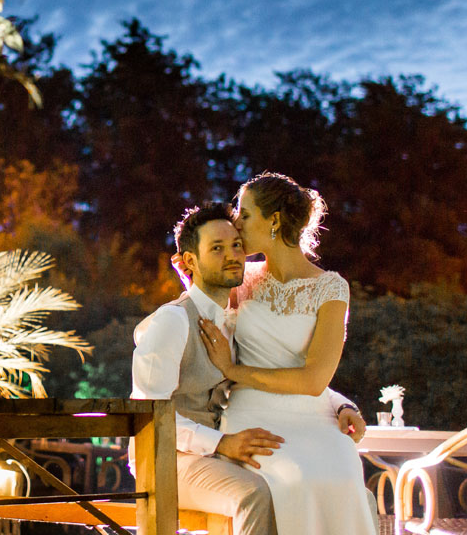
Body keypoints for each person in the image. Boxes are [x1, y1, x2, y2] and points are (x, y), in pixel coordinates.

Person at [132, 201, 366, 535]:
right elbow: (149, 413)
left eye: (236, 245)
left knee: (299, 487)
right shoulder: (172, 321)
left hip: (213, 454)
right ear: (189, 262)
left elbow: (278, 370)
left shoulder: (230, 322)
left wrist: (340, 404)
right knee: (256, 493)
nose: (232, 255)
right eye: (217, 248)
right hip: (164, 459)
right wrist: (220, 443)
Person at [198, 173, 376, 535]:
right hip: (253, 415)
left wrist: (234, 370)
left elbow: (313, 380)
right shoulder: (239, 278)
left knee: (343, 473)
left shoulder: (330, 288)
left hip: (314, 417)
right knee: (295, 477)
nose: (235, 223)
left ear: (274, 220)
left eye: (244, 214)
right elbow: (201, 313)